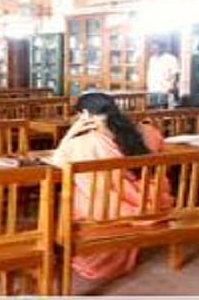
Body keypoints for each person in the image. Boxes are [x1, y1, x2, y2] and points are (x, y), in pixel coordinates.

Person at [49, 92, 171, 280]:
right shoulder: (145, 131)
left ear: (85, 115)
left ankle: (60, 248)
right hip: (146, 201)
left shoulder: (83, 143)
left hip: (104, 208)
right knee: (93, 184)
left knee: (77, 190)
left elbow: (57, 162)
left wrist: (70, 133)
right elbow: (160, 149)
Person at [146, 41, 180, 109]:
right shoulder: (152, 59)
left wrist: (173, 86)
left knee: (163, 108)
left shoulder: (170, 58)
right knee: (153, 108)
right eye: (153, 48)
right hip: (153, 88)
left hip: (165, 88)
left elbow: (176, 73)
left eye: (156, 48)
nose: (155, 50)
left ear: (162, 48)